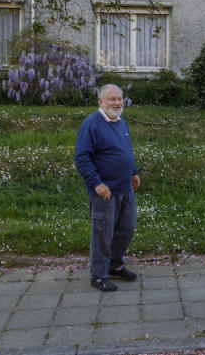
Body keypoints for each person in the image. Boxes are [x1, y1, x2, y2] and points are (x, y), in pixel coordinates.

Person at [74, 83, 140, 292]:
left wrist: (133, 172)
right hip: (105, 190)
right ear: (101, 102)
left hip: (125, 188)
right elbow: (82, 158)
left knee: (126, 229)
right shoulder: (91, 124)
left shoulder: (121, 122)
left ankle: (115, 264)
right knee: (102, 233)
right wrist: (96, 184)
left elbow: (125, 150)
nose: (117, 103)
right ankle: (98, 275)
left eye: (119, 99)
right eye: (112, 99)